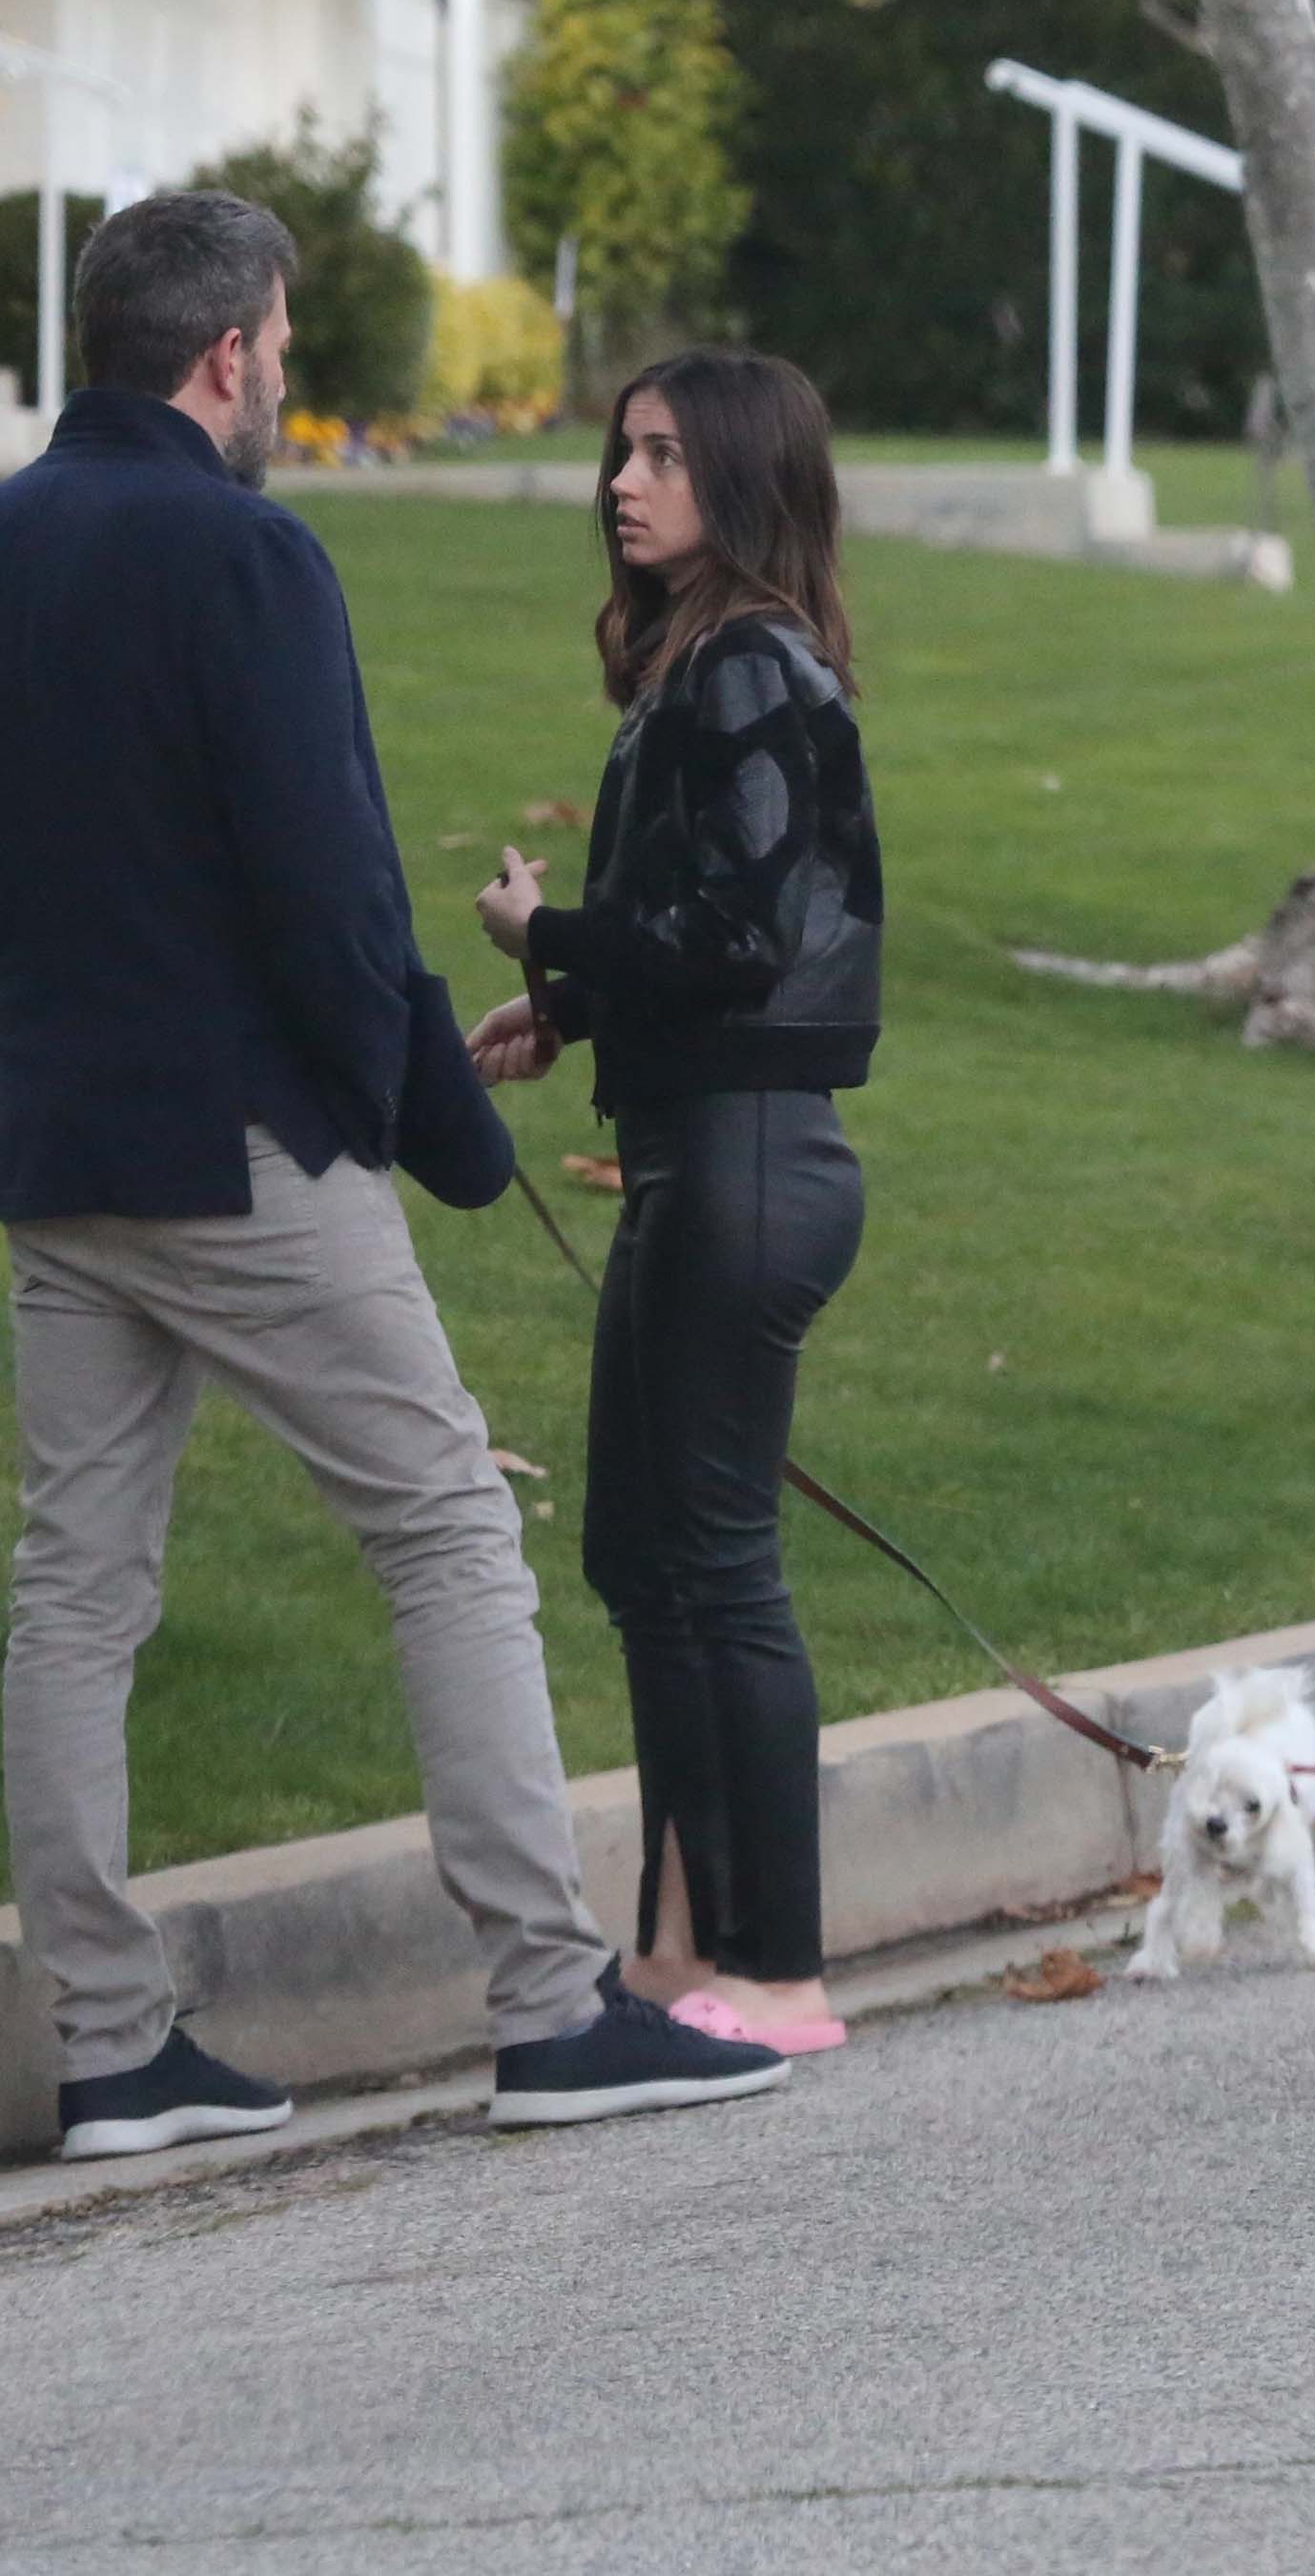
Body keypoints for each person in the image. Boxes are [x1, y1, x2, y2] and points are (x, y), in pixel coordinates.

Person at [0, 195, 788, 2154]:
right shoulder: (247, 556)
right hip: (238, 1148)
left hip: (57, 1142)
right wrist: (447, 1131)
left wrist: (46, 1043)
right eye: (279, 348)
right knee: (447, 1525)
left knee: (74, 1590)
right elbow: (333, 892)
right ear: (227, 355)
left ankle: (111, 2044)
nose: (282, 378)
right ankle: (553, 2008)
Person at [470, 349, 881, 2056]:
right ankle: (673, 1955)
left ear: (741, 478)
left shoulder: (748, 663)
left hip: (746, 1164)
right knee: (641, 1554)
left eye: (661, 456)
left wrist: (544, 936)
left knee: (709, 1563)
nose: (623, 484)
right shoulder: (703, 666)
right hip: (701, 1153)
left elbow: (745, 938)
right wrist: (568, 1009)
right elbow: (723, 931)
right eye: (621, 453)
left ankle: (775, 1973)